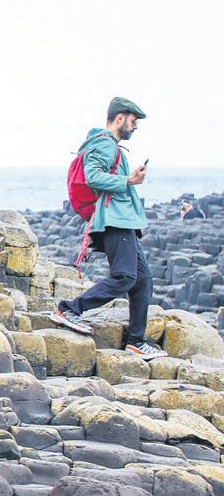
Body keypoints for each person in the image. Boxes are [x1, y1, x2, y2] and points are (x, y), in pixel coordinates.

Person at [51, 98, 162, 357]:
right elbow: (93, 176)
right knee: (124, 276)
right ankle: (69, 309)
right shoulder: (104, 143)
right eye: (133, 121)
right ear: (120, 118)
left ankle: (136, 340)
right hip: (115, 220)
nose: (135, 127)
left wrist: (128, 179)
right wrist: (129, 179)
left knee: (142, 280)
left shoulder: (113, 147)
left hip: (124, 221)